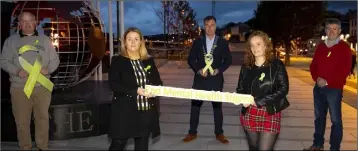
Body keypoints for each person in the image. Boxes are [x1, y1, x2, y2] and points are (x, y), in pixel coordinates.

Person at [0, 12, 60, 150]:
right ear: (19, 23)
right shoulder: (10, 41)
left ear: (35, 22)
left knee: (43, 119)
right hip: (19, 87)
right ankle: (25, 147)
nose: (27, 24)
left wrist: (48, 69)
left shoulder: (45, 40)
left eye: (30, 21)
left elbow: (55, 60)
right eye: (24, 21)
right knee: (22, 121)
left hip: (42, 87)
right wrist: (16, 71)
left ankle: (42, 147)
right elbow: (3, 61)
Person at [107, 27, 163, 150]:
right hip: (125, 111)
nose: (133, 42)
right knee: (118, 144)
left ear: (141, 42)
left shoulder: (148, 60)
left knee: (142, 146)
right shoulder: (117, 60)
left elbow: (158, 82)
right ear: (124, 42)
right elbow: (113, 84)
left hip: (146, 112)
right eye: (129, 39)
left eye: (136, 39)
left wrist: (155, 90)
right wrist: (135, 90)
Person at [236, 30, 289, 150]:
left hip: (270, 111)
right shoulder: (246, 67)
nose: (255, 48)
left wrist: (258, 101)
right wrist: (241, 98)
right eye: (252, 45)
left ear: (266, 45)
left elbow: (283, 89)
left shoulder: (276, 65)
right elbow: (240, 88)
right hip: (250, 112)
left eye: (258, 44)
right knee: (253, 147)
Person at [304, 18, 352, 151]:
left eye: (334, 29)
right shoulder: (321, 46)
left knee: (336, 120)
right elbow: (313, 65)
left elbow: (345, 70)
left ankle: (334, 148)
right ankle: (317, 144)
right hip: (318, 88)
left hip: (334, 89)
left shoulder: (344, 48)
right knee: (319, 118)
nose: (331, 31)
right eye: (328, 29)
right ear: (325, 30)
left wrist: (327, 81)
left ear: (339, 31)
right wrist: (316, 78)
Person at [183, 16, 232, 144]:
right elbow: (191, 59)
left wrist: (219, 70)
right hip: (200, 80)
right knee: (195, 108)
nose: (210, 27)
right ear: (204, 26)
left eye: (212, 25)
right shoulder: (198, 42)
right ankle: (192, 132)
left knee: (217, 108)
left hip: (216, 80)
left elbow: (228, 60)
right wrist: (198, 70)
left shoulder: (222, 42)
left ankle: (219, 133)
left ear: (216, 26)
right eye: (207, 25)